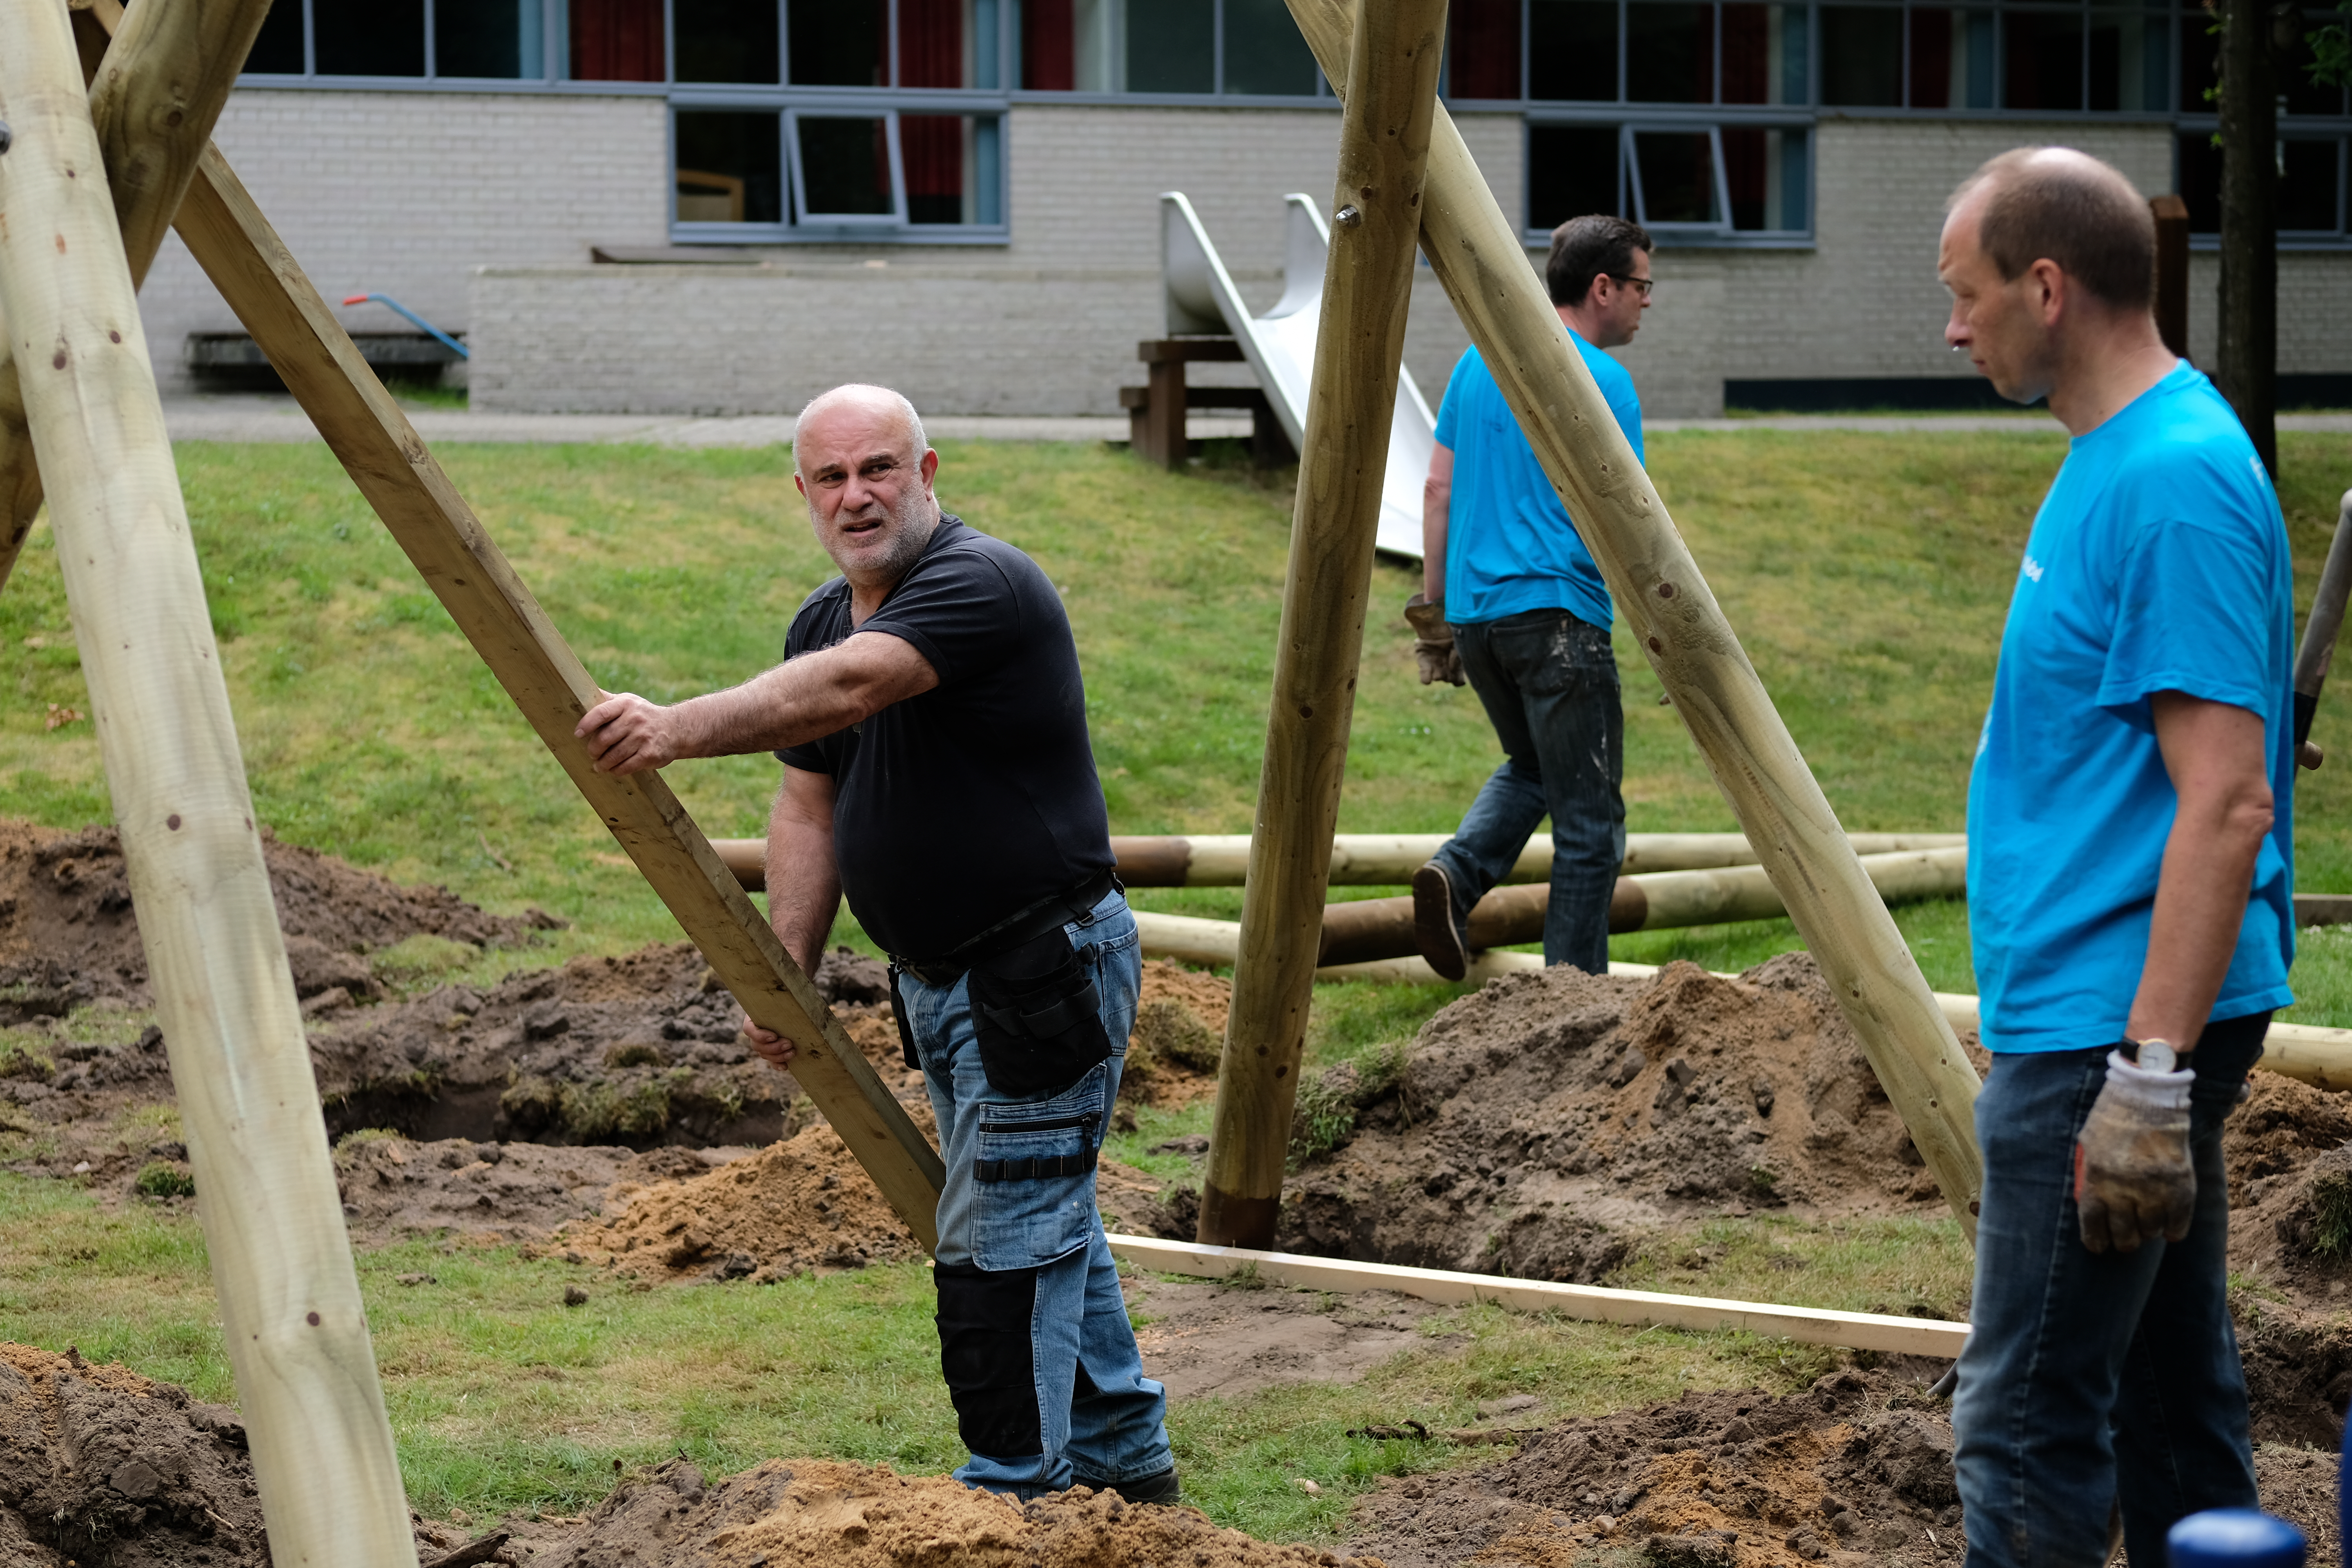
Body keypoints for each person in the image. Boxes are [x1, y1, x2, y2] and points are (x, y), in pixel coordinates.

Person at [574, 383, 1179, 1506]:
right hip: (943, 986)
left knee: (1006, 1230)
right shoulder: (818, 621)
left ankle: (1009, 1496)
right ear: (802, 493)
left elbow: (858, 686)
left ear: (929, 472)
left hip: (1041, 967)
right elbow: (808, 809)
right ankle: (1124, 1468)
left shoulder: (978, 585)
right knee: (1040, 1210)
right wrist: (785, 970)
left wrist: (673, 728)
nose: (858, 497)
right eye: (832, 478)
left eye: (880, 469)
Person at [1938, 149, 2294, 1566]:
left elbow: (2225, 803)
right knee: (2163, 1393)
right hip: (2102, 1008)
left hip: (2115, 1029)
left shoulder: (2174, 481)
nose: (1954, 330)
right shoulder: (2119, 457)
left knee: (2024, 1418)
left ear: (2046, 287)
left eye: (1967, 298)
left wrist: (2146, 1080)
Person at [1405, 214, 1652, 980]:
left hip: (1478, 621)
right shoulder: (1604, 382)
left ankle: (1456, 872)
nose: (1650, 302)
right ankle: (1572, 999)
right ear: (1602, 286)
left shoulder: (1476, 365)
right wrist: (1665, 631)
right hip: (1559, 621)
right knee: (1591, 824)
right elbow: (1630, 517)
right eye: (1643, 286)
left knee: (1535, 766)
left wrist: (1437, 615)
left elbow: (1438, 489)